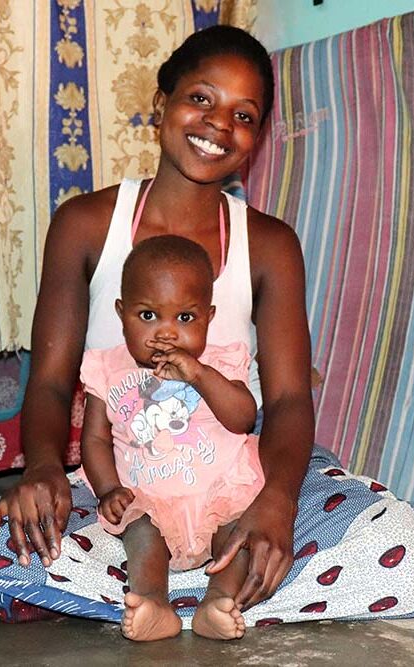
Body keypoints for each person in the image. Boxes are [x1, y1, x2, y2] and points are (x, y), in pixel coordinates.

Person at [0, 25, 414, 631]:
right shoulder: (85, 224)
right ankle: (193, 596)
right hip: (126, 490)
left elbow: (288, 399)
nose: (218, 125)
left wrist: (278, 506)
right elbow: (53, 383)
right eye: (202, 98)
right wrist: (44, 471)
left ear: (257, 138)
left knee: (412, 555)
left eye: (245, 114)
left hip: (237, 476)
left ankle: (171, 596)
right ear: (162, 103)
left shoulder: (268, 244)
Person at [81, 234, 265, 640]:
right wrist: (109, 488)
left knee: (237, 536)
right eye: (148, 316)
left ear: (208, 317)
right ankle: (153, 604)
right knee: (141, 535)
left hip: (218, 492)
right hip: (151, 499)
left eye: (185, 318)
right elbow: (94, 440)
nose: (166, 334)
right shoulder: (107, 369)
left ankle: (217, 601)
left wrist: (199, 374)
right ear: (121, 312)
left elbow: (243, 419)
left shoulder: (218, 361)